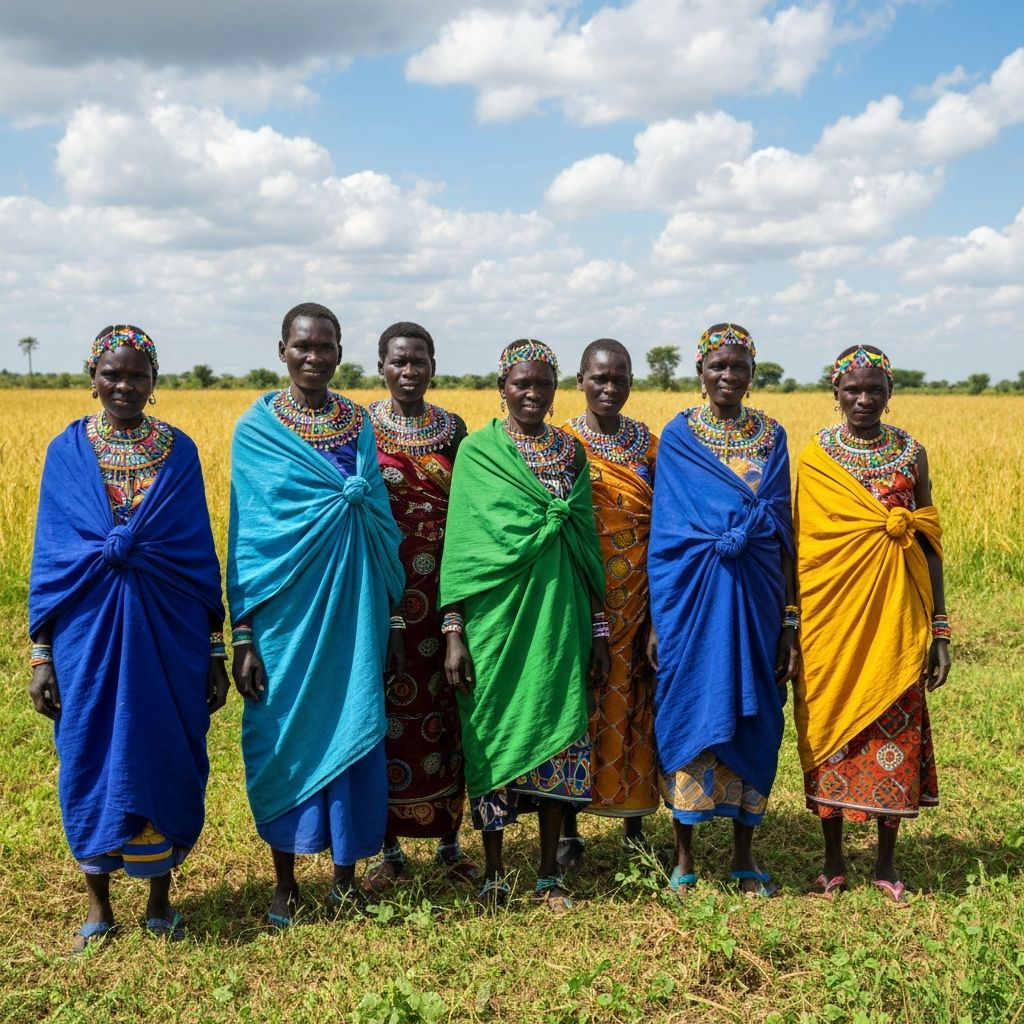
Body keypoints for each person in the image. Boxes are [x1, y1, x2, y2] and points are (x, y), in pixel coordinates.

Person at [28, 324, 228, 951]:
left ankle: (160, 900)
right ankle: (97, 903)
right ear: (94, 379)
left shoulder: (179, 450)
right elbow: (52, 558)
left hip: (168, 630)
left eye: (137, 375)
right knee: (88, 749)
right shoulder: (67, 453)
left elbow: (196, 552)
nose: (124, 385)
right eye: (112, 374)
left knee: (162, 745)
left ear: (154, 383)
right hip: (86, 633)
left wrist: (215, 650)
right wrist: (41, 654)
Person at [228, 302, 405, 928]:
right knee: (282, 734)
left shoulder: (358, 422)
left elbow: (379, 519)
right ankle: (284, 884)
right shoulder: (257, 429)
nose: (313, 356)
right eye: (302, 345)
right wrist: (243, 633)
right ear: (282, 350)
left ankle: (344, 879)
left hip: (354, 605)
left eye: (325, 346)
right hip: (285, 619)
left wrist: (390, 618)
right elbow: (248, 538)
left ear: (338, 353)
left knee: (356, 728)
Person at [438, 339, 609, 912]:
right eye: (521, 384)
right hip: (493, 626)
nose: (531, 394)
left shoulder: (570, 453)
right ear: (501, 387)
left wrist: (600, 632)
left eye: (541, 384)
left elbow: (587, 548)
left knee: (558, 732)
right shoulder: (478, 453)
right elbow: (460, 553)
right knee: (489, 735)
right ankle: (492, 872)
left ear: (556, 390)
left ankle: (547, 876)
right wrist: (454, 632)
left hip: (559, 620)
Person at [794, 345, 950, 902]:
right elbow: (803, 547)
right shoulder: (817, 457)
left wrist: (940, 628)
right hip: (830, 620)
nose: (863, 399)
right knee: (829, 730)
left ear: (890, 393)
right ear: (834, 393)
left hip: (899, 619)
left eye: (874, 389)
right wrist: (793, 622)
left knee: (896, 732)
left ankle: (885, 863)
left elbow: (930, 539)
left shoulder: (912, 453)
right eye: (852, 389)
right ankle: (833, 859)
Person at [647, 323, 797, 897]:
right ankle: (684, 857)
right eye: (718, 366)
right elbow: (667, 537)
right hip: (692, 601)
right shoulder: (680, 436)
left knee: (756, 714)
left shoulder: (772, 437)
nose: (727, 377)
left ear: (752, 376)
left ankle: (743, 855)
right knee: (689, 706)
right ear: (700, 371)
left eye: (738, 367)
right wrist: (660, 620)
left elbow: (782, 533)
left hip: (758, 601)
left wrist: (788, 622)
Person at [364, 321, 479, 889]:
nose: (408, 372)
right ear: (381, 366)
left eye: (418, 362)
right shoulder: (361, 427)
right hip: (380, 589)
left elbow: (466, 512)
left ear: (433, 366)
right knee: (385, 712)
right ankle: (388, 851)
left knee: (444, 711)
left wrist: (458, 608)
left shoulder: (453, 429)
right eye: (398, 362)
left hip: (444, 592)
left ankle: (451, 842)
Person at [558, 339, 659, 868]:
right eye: (598, 377)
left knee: (635, 699)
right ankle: (570, 827)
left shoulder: (650, 445)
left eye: (619, 378)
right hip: (579, 593)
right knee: (579, 705)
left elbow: (665, 525)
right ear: (579, 380)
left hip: (639, 595)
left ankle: (634, 823)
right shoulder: (561, 443)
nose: (608, 387)